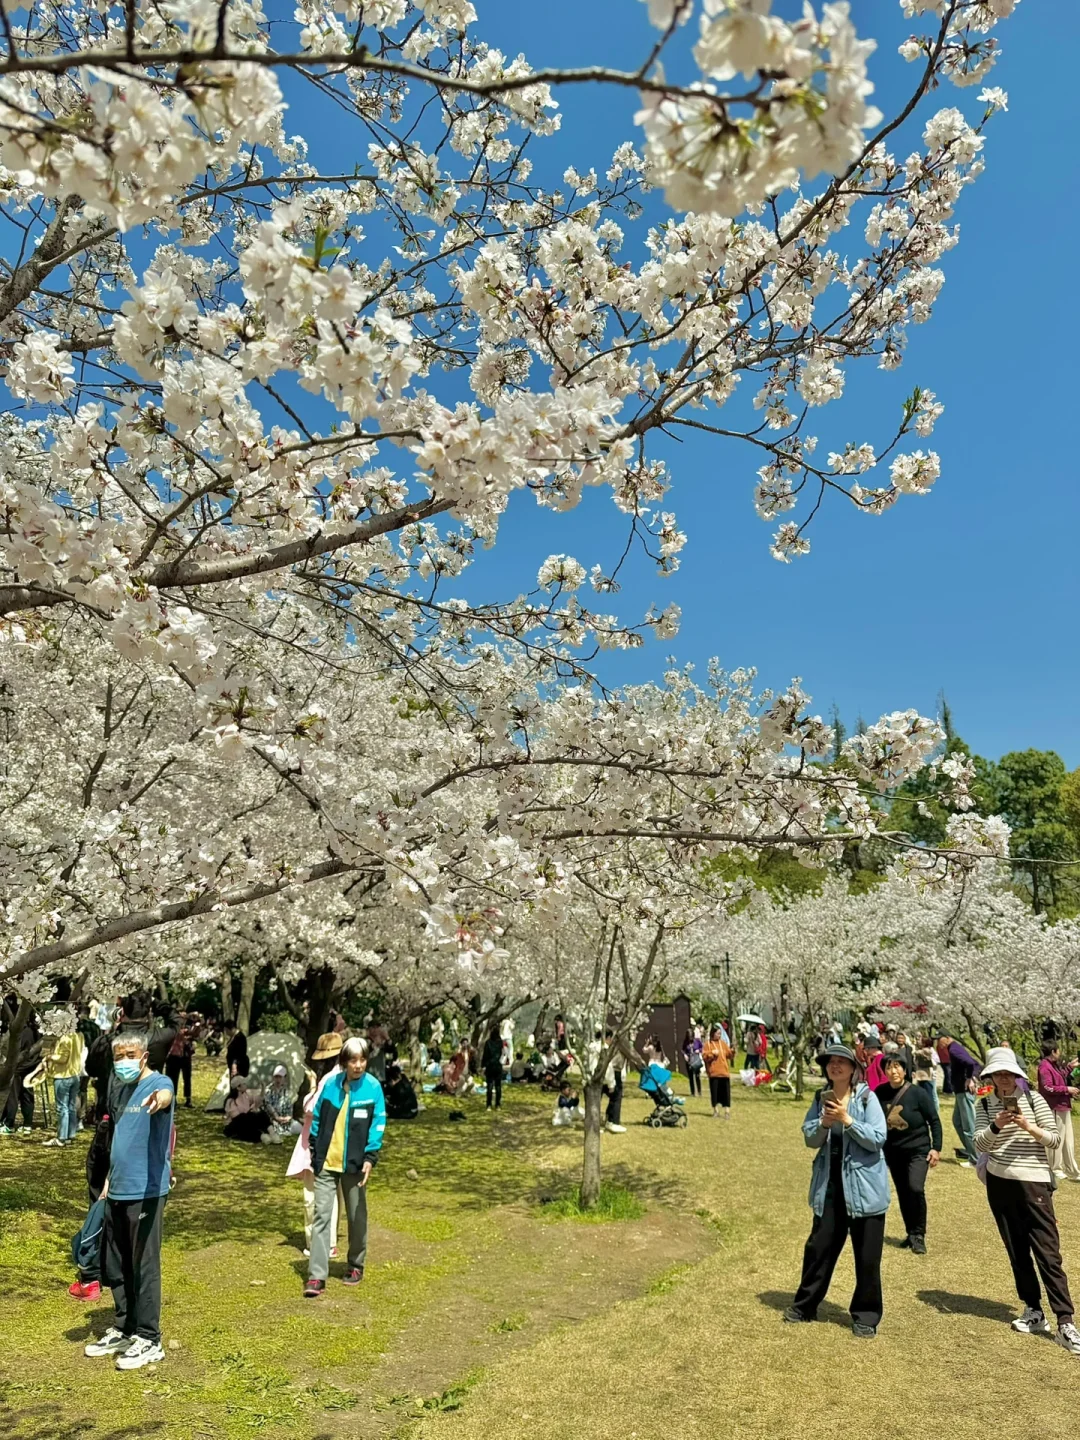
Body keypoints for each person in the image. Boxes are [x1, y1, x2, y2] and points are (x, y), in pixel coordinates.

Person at [974, 1046, 1080, 1354]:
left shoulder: (1035, 1100)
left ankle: (1065, 1321)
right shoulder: (984, 1103)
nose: (1003, 1079)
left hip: (1033, 1182)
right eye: (998, 1074)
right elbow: (979, 1141)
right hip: (999, 1181)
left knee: (1048, 1252)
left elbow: (1055, 1139)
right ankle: (1033, 1310)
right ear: (991, 1077)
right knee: (1016, 1248)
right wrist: (998, 1125)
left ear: (1018, 1076)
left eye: (1009, 1074)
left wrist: (1027, 1126)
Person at [83, 1029, 175, 1370]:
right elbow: (120, 1135)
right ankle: (125, 1326)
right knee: (116, 1263)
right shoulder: (118, 1088)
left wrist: (161, 1101)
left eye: (130, 1055)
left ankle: (150, 1338)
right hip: (118, 1187)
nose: (124, 1062)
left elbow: (166, 1095)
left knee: (144, 1264)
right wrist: (107, 1180)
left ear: (144, 1055)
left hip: (147, 1191)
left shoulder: (158, 1084)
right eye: (119, 1056)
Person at [785, 1043, 889, 1338]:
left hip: (864, 1189)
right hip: (829, 1186)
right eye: (830, 1062)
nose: (835, 1066)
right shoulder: (821, 1099)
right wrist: (824, 1123)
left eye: (841, 1062)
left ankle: (866, 1315)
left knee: (867, 1257)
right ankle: (805, 1306)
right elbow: (810, 1138)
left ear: (854, 1068)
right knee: (818, 1250)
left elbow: (878, 1138)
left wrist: (848, 1121)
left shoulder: (867, 1098)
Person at [305, 1036, 386, 1297]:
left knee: (356, 1216)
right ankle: (317, 1275)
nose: (358, 1065)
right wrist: (316, 1151)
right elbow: (317, 1118)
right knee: (321, 1216)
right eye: (353, 1060)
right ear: (344, 1062)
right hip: (327, 1162)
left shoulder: (373, 1088)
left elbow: (378, 1124)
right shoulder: (331, 1086)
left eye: (362, 1059)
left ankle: (355, 1264)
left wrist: (370, 1158)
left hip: (355, 1165)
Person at [876, 1053, 942, 1254]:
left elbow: (934, 1120)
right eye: (889, 1067)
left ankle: (919, 1233)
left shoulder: (918, 1093)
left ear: (905, 1070)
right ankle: (910, 1233)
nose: (893, 1071)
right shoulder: (879, 1092)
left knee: (915, 1187)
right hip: (893, 1153)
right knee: (904, 1193)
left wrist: (936, 1148)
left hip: (918, 1150)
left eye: (897, 1067)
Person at [286, 1036, 343, 1260]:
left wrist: (311, 1084)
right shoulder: (344, 1077)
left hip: (316, 1143)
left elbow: (310, 1108)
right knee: (333, 1195)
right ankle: (330, 1243)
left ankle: (316, 1243)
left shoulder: (329, 1079)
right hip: (335, 1142)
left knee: (312, 1196)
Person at [1037, 1043, 1080, 1183]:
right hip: (1054, 1106)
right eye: (1058, 1050)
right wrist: (1067, 1089)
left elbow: (1060, 1076)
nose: (1059, 1053)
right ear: (1053, 1051)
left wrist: (1069, 1067)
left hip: (1063, 1106)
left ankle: (1072, 1170)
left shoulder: (1053, 1065)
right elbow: (1047, 1087)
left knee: (1068, 1141)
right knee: (1057, 1139)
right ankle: (1055, 1168)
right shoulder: (1044, 1066)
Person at [937, 1032, 981, 1166]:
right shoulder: (954, 1049)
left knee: (968, 1127)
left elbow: (970, 1063)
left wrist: (970, 1078)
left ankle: (977, 1158)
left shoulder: (955, 1049)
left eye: (940, 1039)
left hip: (964, 1090)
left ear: (948, 1038)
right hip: (960, 1091)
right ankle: (970, 1151)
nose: (939, 1043)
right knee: (957, 1122)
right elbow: (974, 1063)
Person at [42, 1024, 83, 1147]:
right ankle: (70, 1135)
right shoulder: (76, 1036)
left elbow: (63, 1058)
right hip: (75, 1075)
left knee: (62, 1108)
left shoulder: (65, 1038)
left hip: (63, 1075)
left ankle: (61, 1138)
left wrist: (48, 1057)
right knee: (70, 1106)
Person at [1, 1009, 41, 1132]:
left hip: (18, 1068)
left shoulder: (22, 1033)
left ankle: (9, 1123)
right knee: (27, 1095)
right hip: (31, 1066)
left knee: (13, 1095)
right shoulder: (35, 1032)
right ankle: (27, 1124)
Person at [164, 1011, 199, 1108]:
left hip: (185, 1055)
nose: (183, 1020)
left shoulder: (190, 1028)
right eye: (181, 1017)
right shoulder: (172, 1028)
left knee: (187, 1078)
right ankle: (173, 1100)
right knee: (172, 1078)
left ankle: (188, 1099)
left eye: (184, 1018)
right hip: (173, 1056)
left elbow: (195, 1034)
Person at [223, 1077, 271, 1143]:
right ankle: (261, 1136)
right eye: (244, 1084)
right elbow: (236, 1117)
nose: (246, 1085)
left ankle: (272, 1133)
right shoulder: (231, 1101)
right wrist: (249, 1115)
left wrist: (263, 1088)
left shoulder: (246, 1096)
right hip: (235, 1125)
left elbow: (258, 1100)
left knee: (261, 1114)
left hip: (246, 1121)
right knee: (244, 1118)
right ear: (238, 1087)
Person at [262, 1065, 301, 1143]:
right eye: (276, 1077)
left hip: (285, 1120)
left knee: (299, 1128)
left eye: (280, 1077)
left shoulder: (285, 1091)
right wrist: (277, 1118)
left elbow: (289, 1106)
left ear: (284, 1078)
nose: (278, 1080)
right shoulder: (268, 1090)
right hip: (273, 1120)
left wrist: (288, 1117)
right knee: (274, 1129)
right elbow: (268, 1106)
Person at [702, 1023, 733, 1120]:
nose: (719, 1035)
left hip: (724, 1072)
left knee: (726, 1094)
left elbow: (728, 1054)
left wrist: (732, 1051)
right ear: (713, 1034)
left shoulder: (723, 1044)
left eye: (720, 1034)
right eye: (718, 1033)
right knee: (715, 1093)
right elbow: (705, 1057)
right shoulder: (708, 1045)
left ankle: (727, 1112)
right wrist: (712, 1054)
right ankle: (715, 1110)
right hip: (714, 1073)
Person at [601, 1028, 626, 1133]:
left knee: (598, 1099)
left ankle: (608, 1119)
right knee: (616, 1096)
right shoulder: (608, 1048)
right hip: (609, 1074)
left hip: (599, 1076)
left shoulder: (594, 1047)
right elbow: (609, 1067)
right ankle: (613, 1121)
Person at [482, 1025, 504, 1110]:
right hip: (498, 1066)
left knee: (490, 1086)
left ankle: (489, 1105)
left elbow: (485, 1055)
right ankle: (498, 1104)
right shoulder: (500, 1042)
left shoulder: (488, 1043)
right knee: (498, 1086)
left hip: (490, 1066)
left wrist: (483, 1065)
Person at [682, 1026, 704, 1098]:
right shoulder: (685, 1042)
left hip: (696, 1060)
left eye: (691, 1037)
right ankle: (692, 1092)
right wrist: (685, 1055)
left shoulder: (697, 1041)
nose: (690, 1039)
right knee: (691, 1077)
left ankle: (699, 1091)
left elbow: (702, 1047)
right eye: (689, 1037)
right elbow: (682, 1050)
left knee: (697, 1076)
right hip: (689, 1061)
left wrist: (699, 1050)